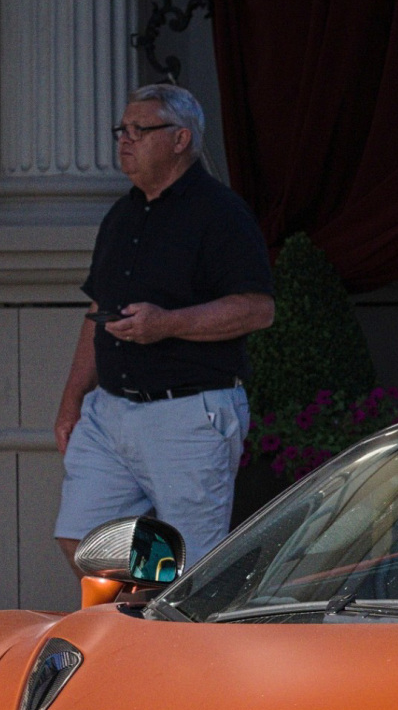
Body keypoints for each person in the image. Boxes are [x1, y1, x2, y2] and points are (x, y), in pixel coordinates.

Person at [54, 84, 275, 571]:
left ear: (180, 140)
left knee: (195, 562)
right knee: (82, 543)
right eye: (122, 130)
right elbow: (98, 309)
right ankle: (154, 599)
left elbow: (258, 310)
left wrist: (167, 324)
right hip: (110, 411)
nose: (125, 140)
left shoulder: (221, 213)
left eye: (140, 129)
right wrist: (73, 398)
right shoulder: (121, 215)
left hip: (189, 413)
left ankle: (179, 611)